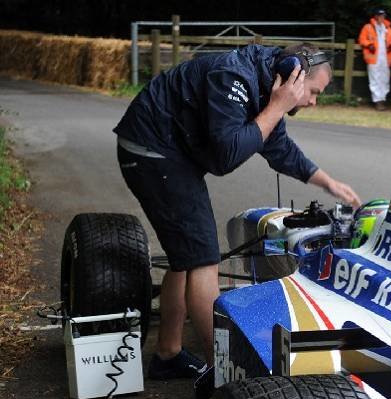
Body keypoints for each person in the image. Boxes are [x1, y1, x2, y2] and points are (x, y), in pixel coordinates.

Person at [113, 44, 361, 380]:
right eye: (314, 92)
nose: (313, 101)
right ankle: (223, 371)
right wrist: (276, 107)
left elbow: (278, 147)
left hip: (166, 151)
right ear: (293, 76)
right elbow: (227, 154)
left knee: (186, 256)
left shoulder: (263, 81)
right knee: (203, 260)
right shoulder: (232, 77)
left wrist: (328, 183)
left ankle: (168, 354)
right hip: (152, 150)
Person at [358, 9, 391, 110]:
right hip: (373, 58)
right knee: (375, 79)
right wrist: (368, 45)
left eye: (383, 16)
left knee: (385, 79)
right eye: (380, 15)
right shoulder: (368, 27)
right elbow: (362, 39)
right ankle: (377, 101)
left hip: (386, 58)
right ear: (375, 16)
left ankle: (383, 98)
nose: (382, 18)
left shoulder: (388, 28)